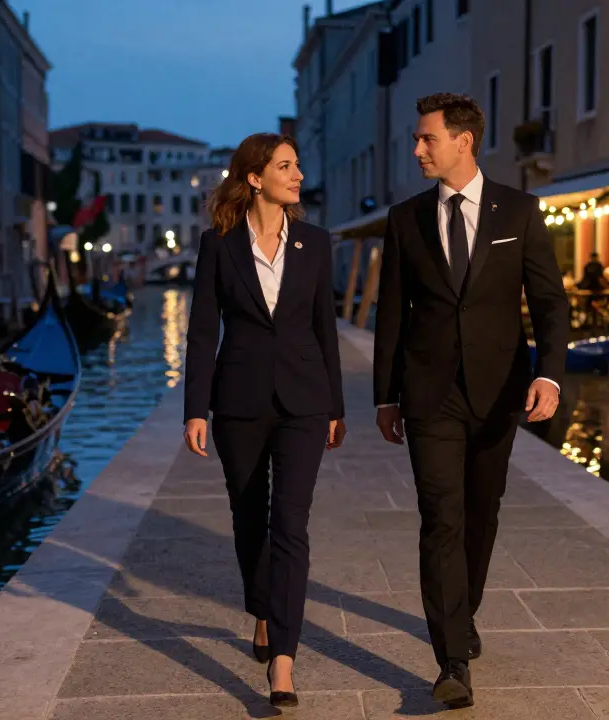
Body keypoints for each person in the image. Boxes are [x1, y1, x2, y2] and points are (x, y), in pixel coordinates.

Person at [372, 93, 569, 709]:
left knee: (482, 516)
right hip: (429, 395)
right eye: (416, 138)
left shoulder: (520, 210)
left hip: (498, 392)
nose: (417, 149)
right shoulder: (405, 219)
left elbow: (550, 303)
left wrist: (551, 376)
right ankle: (450, 659)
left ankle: (466, 613)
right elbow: (390, 315)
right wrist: (386, 395)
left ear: (464, 141)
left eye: (427, 138)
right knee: (441, 518)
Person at [182, 132, 347, 710]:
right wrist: (194, 410)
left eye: (298, 165)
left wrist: (336, 406)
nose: (297, 174)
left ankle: (283, 658)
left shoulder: (315, 242)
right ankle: (261, 607)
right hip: (239, 402)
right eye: (285, 166)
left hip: (303, 401)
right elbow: (203, 332)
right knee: (249, 517)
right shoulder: (218, 244)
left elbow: (325, 327)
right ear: (255, 177)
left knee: (291, 525)